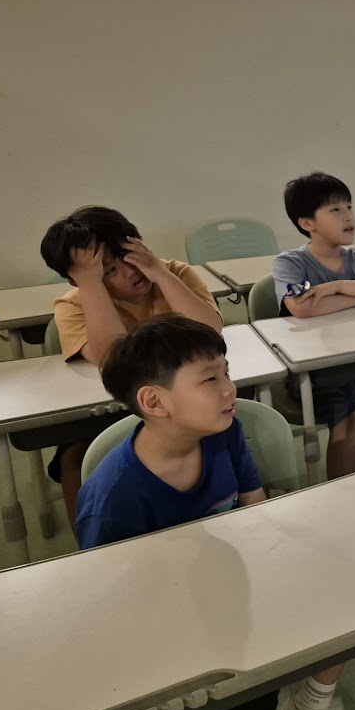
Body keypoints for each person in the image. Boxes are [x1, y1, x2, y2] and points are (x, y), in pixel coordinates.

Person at [75, 314, 274, 710]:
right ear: (154, 402)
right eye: (210, 379)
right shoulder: (114, 499)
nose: (229, 388)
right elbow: (114, 603)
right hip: (160, 626)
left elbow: (255, 508)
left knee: (256, 697)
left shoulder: (224, 431)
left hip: (229, 596)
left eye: (227, 372)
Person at [40, 205, 224, 525]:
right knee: (74, 456)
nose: (130, 272)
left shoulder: (175, 274)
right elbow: (114, 356)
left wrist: (161, 273)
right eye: (109, 270)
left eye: (129, 255)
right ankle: (93, 542)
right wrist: (92, 286)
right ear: (77, 281)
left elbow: (210, 331)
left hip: (186, 401)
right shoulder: (72, 306)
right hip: (115, 408)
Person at [272, 172, 355, 479]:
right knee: (350, 418)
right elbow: (302, 308)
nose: (348, 216)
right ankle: (345, 492)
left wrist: (337, 287)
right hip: (320, 368)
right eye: (335, 210)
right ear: (307, 223)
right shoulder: (290, 263)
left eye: (349, 207)